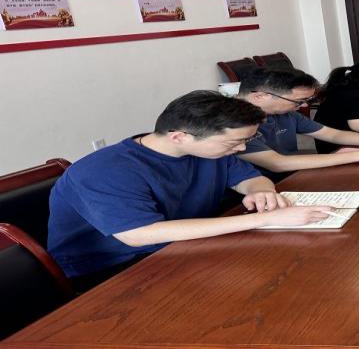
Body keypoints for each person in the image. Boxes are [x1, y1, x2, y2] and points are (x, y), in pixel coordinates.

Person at [48, 91, 335, 291]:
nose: (241, 149)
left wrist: (261, 191)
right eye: (234, 142)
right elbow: (139, 235)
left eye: (245, 141)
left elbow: (250, 179)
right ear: (179, 137)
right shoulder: (104, 171)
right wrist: (264, 219)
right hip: (114, 270)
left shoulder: (209, 151)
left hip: (184, 248)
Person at [235, 68, 359, 180]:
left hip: (296, 175)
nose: (304, 106)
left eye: (307, 100)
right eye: (298, 101)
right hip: (260, 189)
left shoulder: (285, 113)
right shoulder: (233, 123)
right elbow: (277, 164)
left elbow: (333, 134)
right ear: (260, 96)